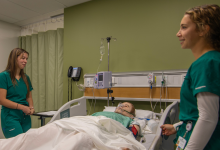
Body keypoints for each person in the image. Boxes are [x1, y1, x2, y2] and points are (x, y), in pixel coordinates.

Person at [160, 4, 220, 150]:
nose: (178, 33)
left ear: (203, 29)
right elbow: (198, 113)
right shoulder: (210, 61)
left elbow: (208, 118)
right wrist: (177, 126)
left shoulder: (206, 63)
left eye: (184, 27)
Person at [0, 48, 34, 138]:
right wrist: (22, 107)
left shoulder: (26, 78)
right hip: (10, 116)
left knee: (27, 143)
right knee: (17, 144)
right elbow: (2, 100)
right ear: (14, 59)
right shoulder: (3, 76)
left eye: (26, 59)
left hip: (25, 117)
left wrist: (31, 107)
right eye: (23, 58)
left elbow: (29, 97)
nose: (25, 61)